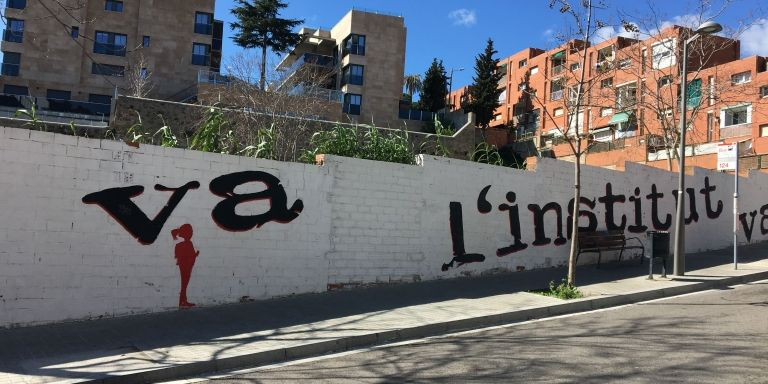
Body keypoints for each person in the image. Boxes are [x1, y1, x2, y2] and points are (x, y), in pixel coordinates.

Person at [171, 224, 199, 308]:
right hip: (187, 267)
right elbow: (190, 256)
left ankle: (183, 301)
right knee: (184, 284)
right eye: (191, 232)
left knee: (184, 284)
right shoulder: (188, 244)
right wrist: (196, 254)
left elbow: (179, 256)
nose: (192, 233)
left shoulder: (179, 245)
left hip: (183, 266)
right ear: (188, 233)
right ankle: (183, 302)